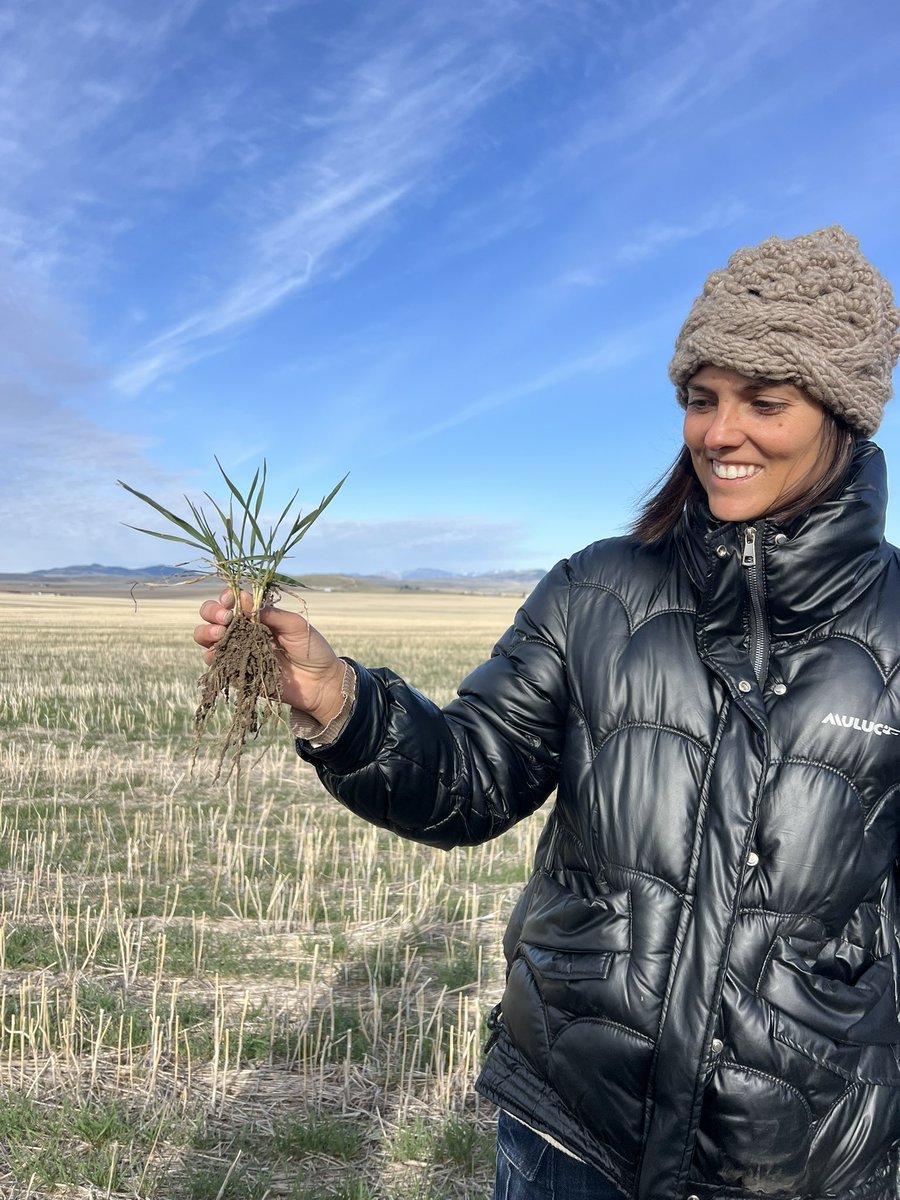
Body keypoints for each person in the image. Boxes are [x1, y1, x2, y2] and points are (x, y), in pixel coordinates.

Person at [195, 226, 900, 1200]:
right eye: (702, 399)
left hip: (801, 1164)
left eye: (764, 402)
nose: (719, 433)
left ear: (844, 416)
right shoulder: (597, 595)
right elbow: (471, 778)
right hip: (571, 1139)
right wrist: (344, 705)